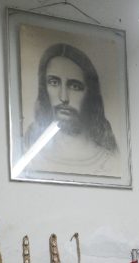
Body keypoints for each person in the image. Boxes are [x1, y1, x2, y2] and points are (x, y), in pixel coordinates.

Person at [24, 43, 120, 176]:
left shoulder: (109, 158)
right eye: (54, 83)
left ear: (89, 93)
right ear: (44, 88)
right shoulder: (29, 142)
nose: (63, 97)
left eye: (75, 86)